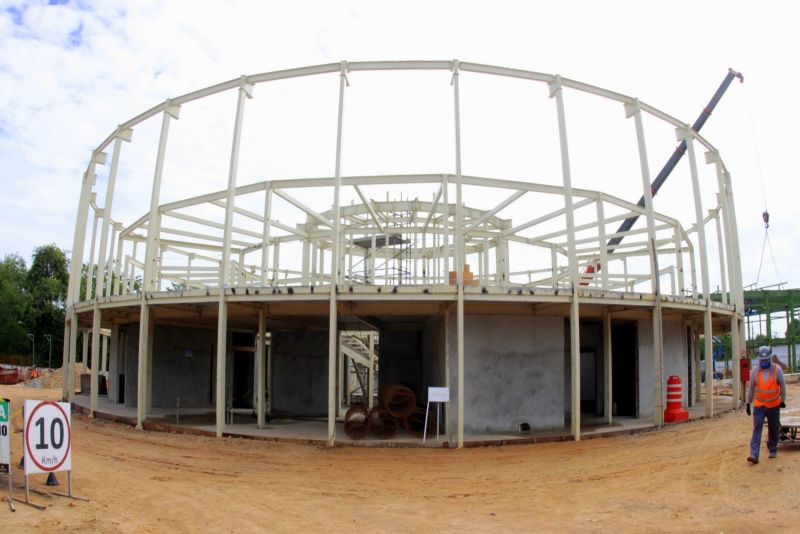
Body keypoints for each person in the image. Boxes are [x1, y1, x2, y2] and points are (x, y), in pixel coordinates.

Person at [746, 346, 787, 463]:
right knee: (757, 428)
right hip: (759, 406)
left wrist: (782, 400)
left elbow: (782, 385)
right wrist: (748, 403)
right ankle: (754, 454)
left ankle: (772, 448)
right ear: (759, 359)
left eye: (766, 360)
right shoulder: (754, 371)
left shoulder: (777, 370)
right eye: (762, 360)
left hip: (774, 405)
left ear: (769, 358)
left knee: (773, 428)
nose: (764, 362)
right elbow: (751, 389)